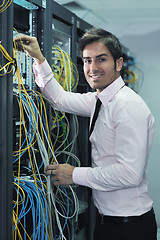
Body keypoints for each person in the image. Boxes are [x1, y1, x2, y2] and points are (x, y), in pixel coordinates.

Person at [14, 28, 157, 240]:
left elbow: (129, 173)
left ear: (118, 64)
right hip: (108, 222)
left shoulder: (127, 106)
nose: (92, 68)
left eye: (101, 60)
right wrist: (39, 58)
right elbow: (59, 99)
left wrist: (74, 174)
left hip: (129, 228)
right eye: (87, 60)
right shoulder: (99, 100)